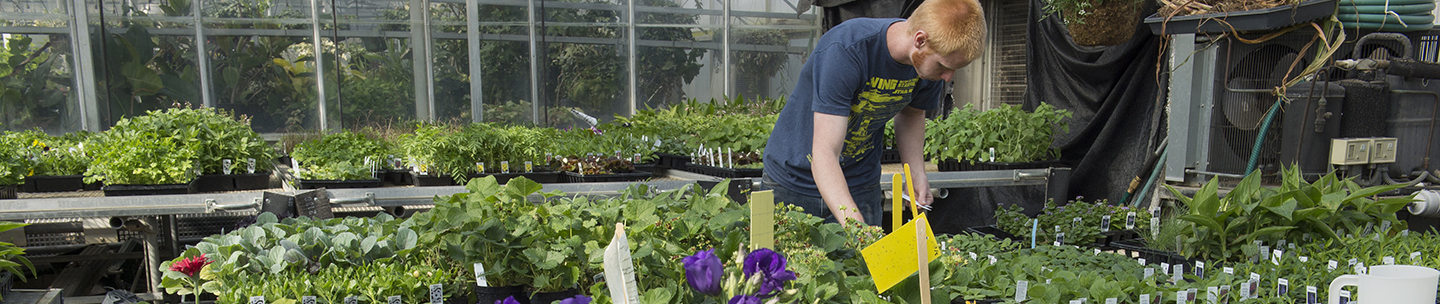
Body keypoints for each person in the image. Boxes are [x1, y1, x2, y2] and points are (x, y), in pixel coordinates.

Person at [761, 0, 986, 226]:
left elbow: (912, 114)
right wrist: (857, 228)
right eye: (944, 66)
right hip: (793, 180)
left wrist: (916, 174)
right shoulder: (847, 50)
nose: (948, 76)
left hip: (860, 181)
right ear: (920, 40)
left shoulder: (929, 68)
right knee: (790, 260)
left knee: (863, 261)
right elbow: (825, 154)